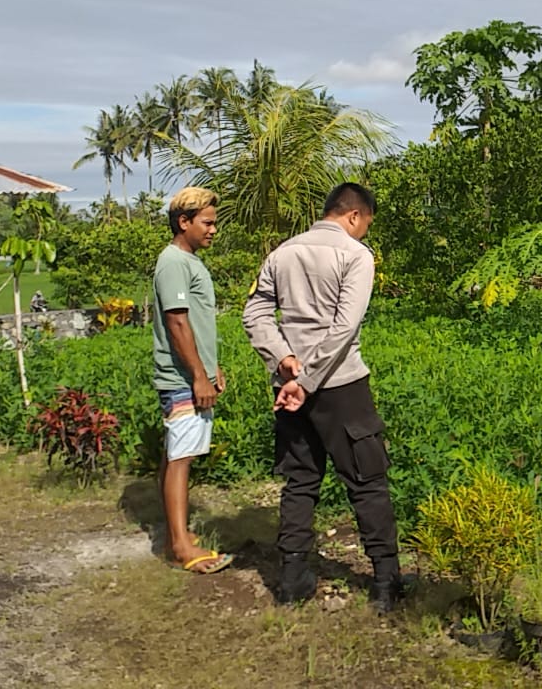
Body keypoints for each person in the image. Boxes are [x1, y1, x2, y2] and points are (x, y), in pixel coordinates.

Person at [242, 182, 401, 611]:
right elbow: (345, 327)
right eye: (366, 223)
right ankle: (386, 582)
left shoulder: (282, 253)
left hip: (291, 386)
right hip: (342, 388)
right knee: (367, 483)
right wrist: (309, 380)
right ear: (354, 215)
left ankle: (292, 579)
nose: (365, 231)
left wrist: (284, 361)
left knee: (300, 481)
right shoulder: (355, 255)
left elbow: (254, 313)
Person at [153, 186, 232, 575]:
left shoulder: (189, 261)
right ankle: (182, 547)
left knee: (178, 456)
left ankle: (176, 537)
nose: (213, 230)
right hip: (181, 378)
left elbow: (194, 322)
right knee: (180, 459)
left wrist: (210, 366)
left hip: (193, 373)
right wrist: (198, 375)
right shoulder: (173, 263)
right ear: (183, 222)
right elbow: (177, 320)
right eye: (207, 222)